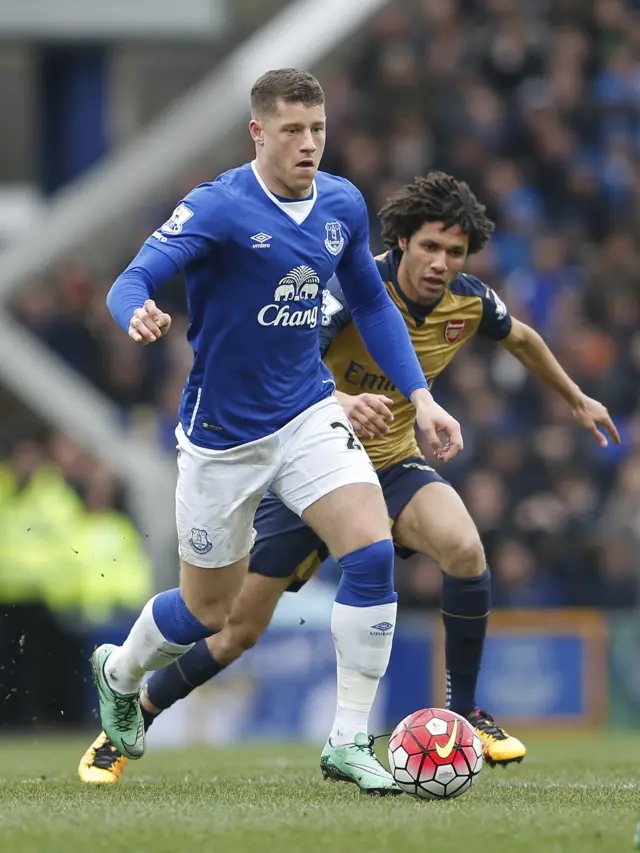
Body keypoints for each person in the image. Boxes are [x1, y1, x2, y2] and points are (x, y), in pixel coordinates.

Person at [80, 171, 619, 788]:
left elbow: (521, 338)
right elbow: (283, 363)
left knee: (464, 548)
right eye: (430, 248)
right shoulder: (346, 289)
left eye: (455, 252)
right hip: (299, 463)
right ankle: (133, 713)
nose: (441, 264)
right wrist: (337, 398)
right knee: (232, 630)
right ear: (399, 244)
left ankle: (455, 713)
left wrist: (576, 399)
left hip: (386, 467)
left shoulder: (468, 302)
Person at [93, 70, 462, 796]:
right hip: (225, 436)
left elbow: (373, 305)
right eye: (292, 130)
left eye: (317, 128)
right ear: (258, 133)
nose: (309, 144)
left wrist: (420, 396)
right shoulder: (217, 206)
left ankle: (349, 739)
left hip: (308, 413)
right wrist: (136, 311)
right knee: (207, 611)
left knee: (371, 549)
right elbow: (130, 278)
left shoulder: (342, 203)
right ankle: (119, 671)